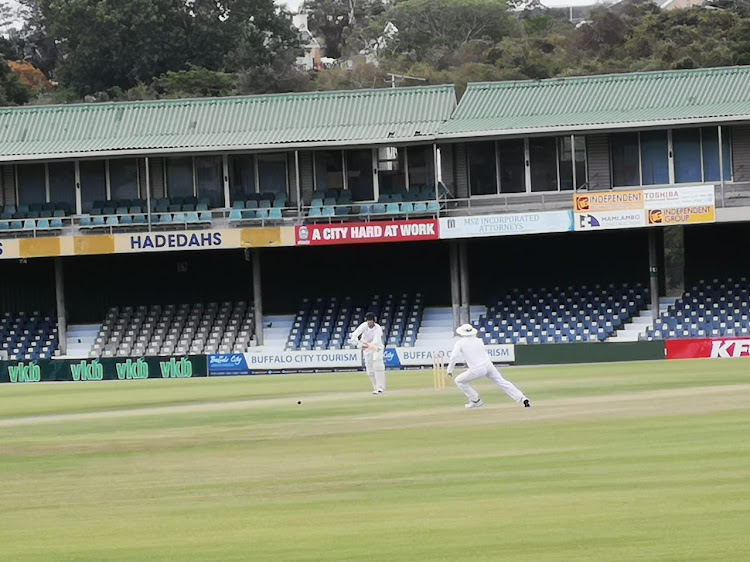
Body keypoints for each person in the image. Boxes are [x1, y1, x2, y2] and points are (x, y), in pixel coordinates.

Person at [447, 323, 530, 409]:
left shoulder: (460, 343)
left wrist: (449, 370)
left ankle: (475, 400)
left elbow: (453, 357)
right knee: (502, 382)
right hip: (488, 365)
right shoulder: (479, 340)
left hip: (477, 369)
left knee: (459, 381)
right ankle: (522, 398)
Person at [348, 312, 386, 394]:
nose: (369, 322)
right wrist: (356, 341)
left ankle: (380, 387)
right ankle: (375, 387)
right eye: (368, 320)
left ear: (374, 320)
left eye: (371, 320)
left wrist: (365, 345)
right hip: (367, 348)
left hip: (377, 348)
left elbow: (376, 341)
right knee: (369, 369)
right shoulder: (364, 325)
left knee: (378, 366)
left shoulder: (378, 328)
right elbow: (355, 334)